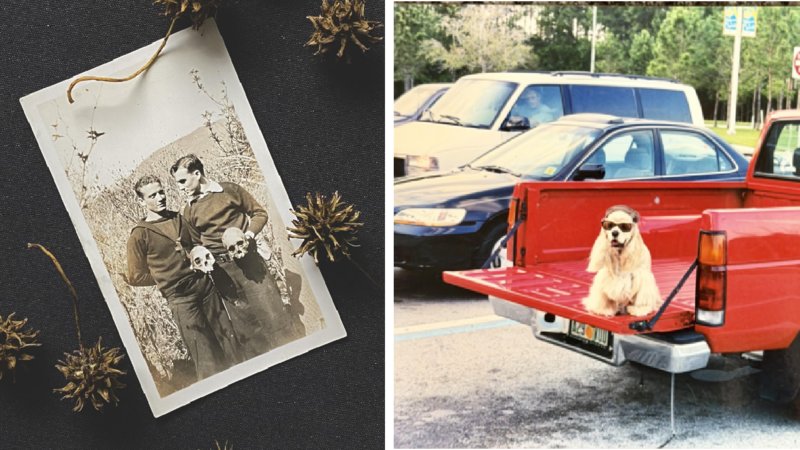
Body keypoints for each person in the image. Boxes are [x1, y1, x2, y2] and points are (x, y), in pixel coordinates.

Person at [169, 154, 297, 357]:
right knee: (248, 330)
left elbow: (259, 213)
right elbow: (193, 242)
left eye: (183, 181)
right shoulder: (189, 210)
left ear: (197, 173)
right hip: (222, 274)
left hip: (249, 263)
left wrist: (247, 235)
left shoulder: (229, 190)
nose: (181, 187)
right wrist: (197, 253)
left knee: (274, 318)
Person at [125, 175, 240, 381]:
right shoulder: (139, 235)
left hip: (205, 287)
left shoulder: (178, 218)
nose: (160, 198)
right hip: (181, 300)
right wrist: (164, 277)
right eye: (152, 195)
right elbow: (134, 276)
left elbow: (196, 243)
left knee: (229, 342)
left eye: (161, 192)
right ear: (141, 201)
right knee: (205, 358)